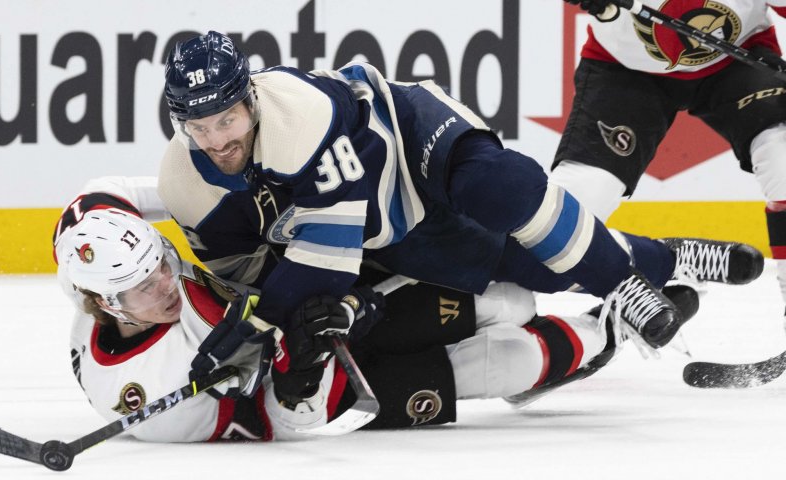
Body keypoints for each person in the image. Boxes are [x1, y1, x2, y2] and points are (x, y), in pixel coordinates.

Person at [156, 30, 763, 358]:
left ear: (251, 100)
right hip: (393, 226)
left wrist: (263, 321)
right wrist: (263, 315)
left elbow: (326, 255)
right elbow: (248, 273)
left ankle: (622, 286)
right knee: (533, 268)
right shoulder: (186, 184)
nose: (216, 139)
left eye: (227, 120)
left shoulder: (298, 120)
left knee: (502, 188)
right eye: (199, 126)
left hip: (410, 132)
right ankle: (669, 257)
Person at [54, 204, 699, 442]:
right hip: (343, 390)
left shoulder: (112, 278)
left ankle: (634, 263)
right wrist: (301, 370)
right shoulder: (158, 403)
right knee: (510, 361)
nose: (167, 284)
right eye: (144, 288)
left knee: (509, 299)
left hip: (336, 303)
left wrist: (346, 302)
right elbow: (282, 425)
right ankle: (610, 329)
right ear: (107, 304)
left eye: (161, 264)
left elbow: (97, 198)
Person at [553, 1, 786, 321]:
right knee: (564, 221)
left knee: (782, 156)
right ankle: (666, 259)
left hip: (738, 58)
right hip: (625, 70)